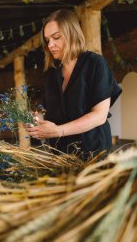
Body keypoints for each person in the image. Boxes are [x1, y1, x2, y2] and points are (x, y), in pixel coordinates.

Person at [25, 9, 122, 160]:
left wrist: (59, 130)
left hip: (93, 152)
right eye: (47, 40)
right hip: (61, 155)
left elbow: (99, 116)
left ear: (72, 33)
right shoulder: (52, 74)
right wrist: (38, 120)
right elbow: (52, 113)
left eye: (56, 37)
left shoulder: (95, 64)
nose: (51, 45)